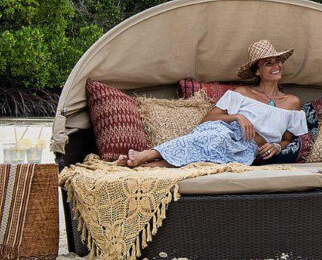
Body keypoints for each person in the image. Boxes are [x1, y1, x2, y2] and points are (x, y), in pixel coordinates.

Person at [117, 39, 307, 168]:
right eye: (268, 63)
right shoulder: (241, 93)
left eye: (277, 61)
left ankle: (144, 164)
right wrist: (238, 117)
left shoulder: (292, 103)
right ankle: (148, 157)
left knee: (215, 147)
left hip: (247, 149)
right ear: (257, 71)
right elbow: (207, 120)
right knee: (218, 137)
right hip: (224, 133)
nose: (276, 66)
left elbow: (289, 139)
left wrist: (277, 147)